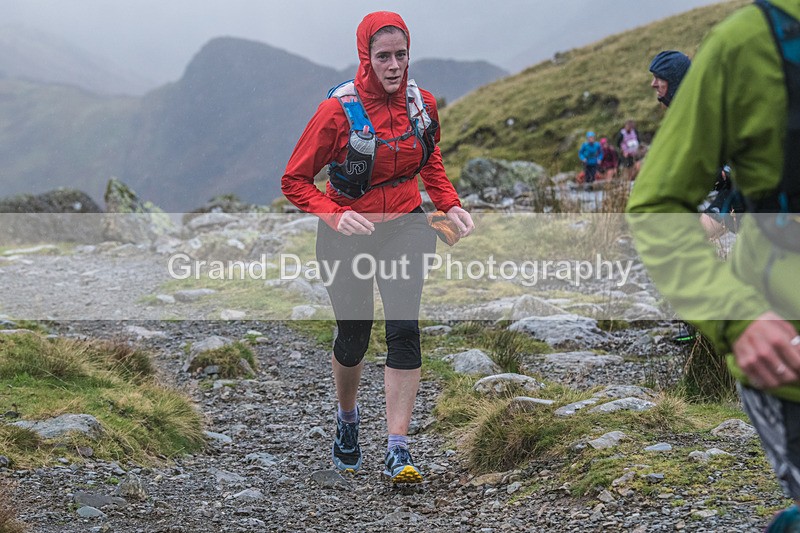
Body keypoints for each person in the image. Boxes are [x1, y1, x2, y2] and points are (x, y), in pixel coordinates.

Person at [627, 1, 800, 530]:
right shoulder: (746, 46)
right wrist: (734, 316)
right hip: (788, 356)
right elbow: (658, 205)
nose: (655, 89)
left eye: (659, 82)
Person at [281, 11, 473, 484]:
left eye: (401, 55)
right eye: (382, 56)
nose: (393, 66)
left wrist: (449, 204)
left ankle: (398, 450)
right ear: (365, 56)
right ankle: (347, 420)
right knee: (354, 336)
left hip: (407, 226)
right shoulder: (337, 112)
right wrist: (333, 212)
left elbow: (431, 163)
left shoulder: (421, 104)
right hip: (349, 233)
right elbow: (294, 180)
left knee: (404, 329)